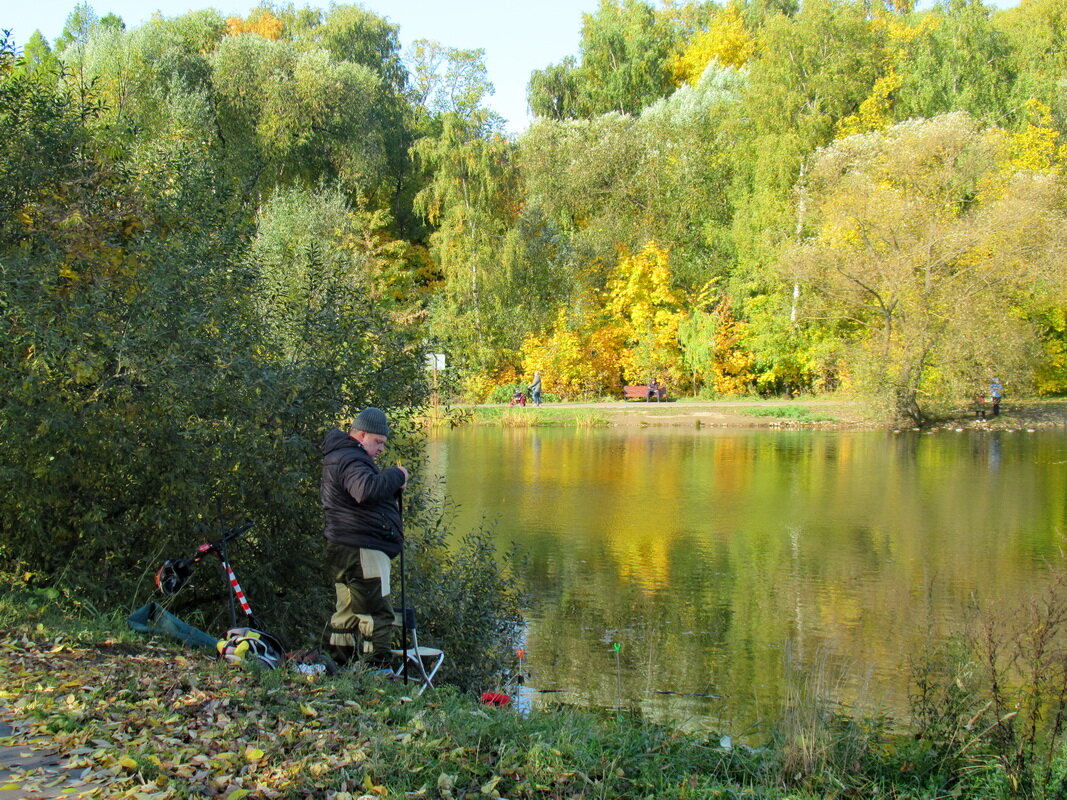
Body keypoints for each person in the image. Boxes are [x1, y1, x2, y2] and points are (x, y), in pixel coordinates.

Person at [320, 407, 408, 669]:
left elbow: (359, 497)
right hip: (363, 547)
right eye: (378, 442)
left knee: (345, 615)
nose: (381, 448)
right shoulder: (351, 458)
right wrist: (397, 475)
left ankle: (338, 670)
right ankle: (377, 675)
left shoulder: (340, 456)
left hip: (342, 545)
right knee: (376, 614)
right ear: (361, 435)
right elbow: (365, 490)